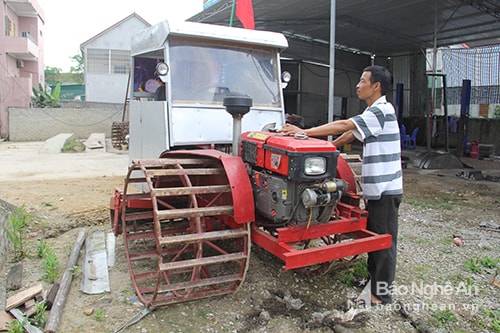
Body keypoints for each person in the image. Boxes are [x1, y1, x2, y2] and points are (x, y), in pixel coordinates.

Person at [279, 65, 403, 305]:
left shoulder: (381, 110)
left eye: (362, 80)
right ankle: (374, 282)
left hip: (387, 188)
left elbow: (346, 125)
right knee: (376, 234)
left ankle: (381, 294)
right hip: (377, 188)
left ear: (376, 86)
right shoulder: (373, 112)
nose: (358, 85)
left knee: (384, 239)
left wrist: (304, 133)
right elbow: (350, 135)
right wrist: (328, 150)